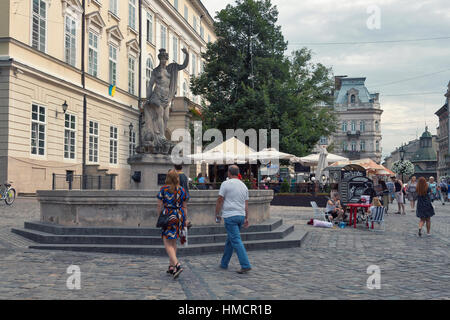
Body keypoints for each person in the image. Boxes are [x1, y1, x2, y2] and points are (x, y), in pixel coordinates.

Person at [215, 165, 252, 274]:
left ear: (229, 173)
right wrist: (246, 217)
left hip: (230, 215)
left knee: (235, 240)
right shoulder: (244, 186)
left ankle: (245, 265)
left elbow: (220, 200)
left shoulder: (225, 184)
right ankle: (224, 263)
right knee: (230, 240)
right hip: (240, 215)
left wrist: (217, 213)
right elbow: (246, 204)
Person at [157, 170, 189, 279]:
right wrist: (185, 220)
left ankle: (177, 265)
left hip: (168, 216)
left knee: (166, 241)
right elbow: (185, 207)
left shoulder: (164, 189)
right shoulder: (182, 190)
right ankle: (171, 267)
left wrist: (160, 216)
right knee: (174, 241)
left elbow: (159, 205)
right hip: (179, 216)